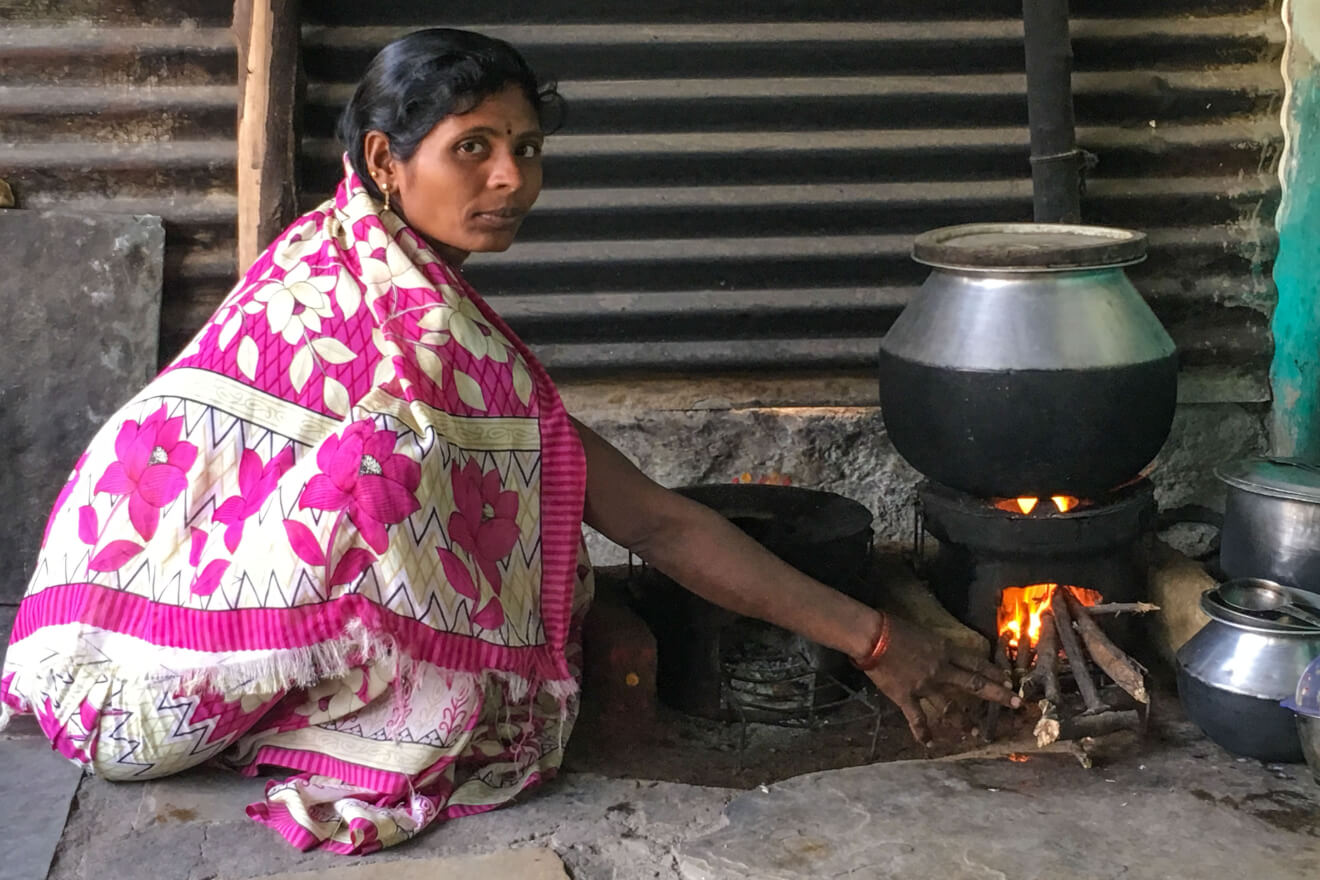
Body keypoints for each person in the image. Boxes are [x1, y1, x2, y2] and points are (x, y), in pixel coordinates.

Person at [0, 28, 1018, 854]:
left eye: (527, 149)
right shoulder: (399, 326)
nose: (510, 180)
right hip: (146, 692)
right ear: (387, 163)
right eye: (473, 148)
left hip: (78, 636)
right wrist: (878, 640)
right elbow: (653, 522)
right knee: (481, 674)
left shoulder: (335, 253)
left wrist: (874, 638)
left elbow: (650, 517)